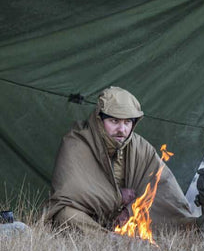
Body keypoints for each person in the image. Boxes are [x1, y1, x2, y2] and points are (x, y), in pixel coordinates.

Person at [45, 86, 195, 234]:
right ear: (99, 119)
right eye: (114, 121)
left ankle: (201, 230)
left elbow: (162, 187)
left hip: (126, 219)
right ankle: (108, 240)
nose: (121, 129)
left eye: (127, 122)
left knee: (175, 221)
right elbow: (71, 191)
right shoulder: (77, 141)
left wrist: (130, 210)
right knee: (65, 215)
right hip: (88, 217)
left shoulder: (141, 147)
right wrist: (117, 197)